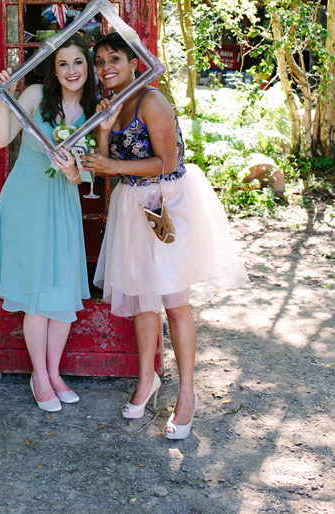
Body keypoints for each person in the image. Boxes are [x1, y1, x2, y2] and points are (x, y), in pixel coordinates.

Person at [80, 31, 248, 440]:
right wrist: (103, 128)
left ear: (135, 63)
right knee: (141, 301)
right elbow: (105, 162)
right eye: (100, 61)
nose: (106, 68)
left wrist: (114, 168)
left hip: (167, 203)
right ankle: (147, 380)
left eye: (114, 58)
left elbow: (167, 162)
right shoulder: (110, 104)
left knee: (174, 303)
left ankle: (187, 392)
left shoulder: (152, 101)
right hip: (131, 208)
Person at [0, 39, 97, 412]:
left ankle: (54, 372)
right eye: (63, 64)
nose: (71, 70)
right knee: (36, 295)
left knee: (62, 292)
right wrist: (5, 97)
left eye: (78, 62)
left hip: (62, 202)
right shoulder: (33, 94)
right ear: (54, 69)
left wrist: (72, 169)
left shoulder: (94, 109)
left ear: (88, 66)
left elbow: (85, 179)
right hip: (27, 200)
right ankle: (40, 377)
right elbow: (0, 140)